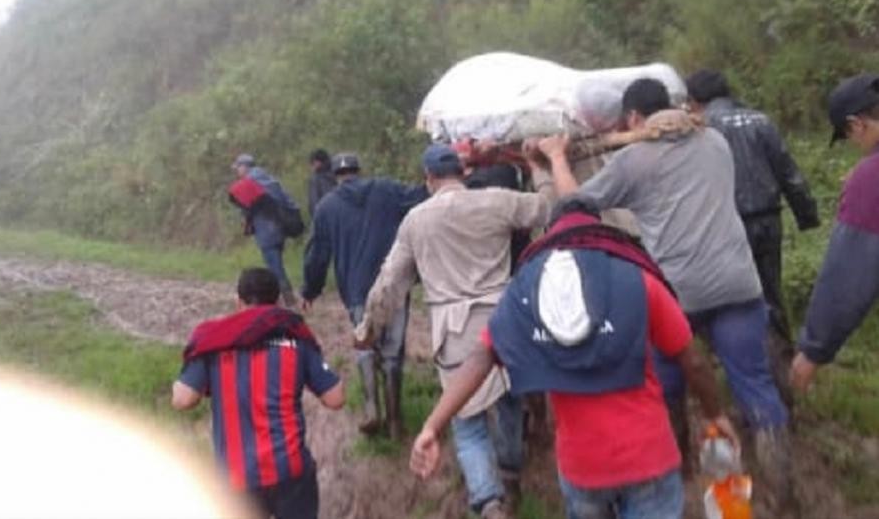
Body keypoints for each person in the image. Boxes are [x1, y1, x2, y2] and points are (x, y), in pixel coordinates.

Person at [410, 202, 740, 519]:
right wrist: (716, 415)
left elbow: (481, 357)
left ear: (552, 233)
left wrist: (432, 426)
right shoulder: (637, 279)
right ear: (599, 229)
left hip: (582, 467)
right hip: (649, 457)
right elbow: (693, 361)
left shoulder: (528, 290)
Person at [558, 78, 793, 513]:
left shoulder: (633, 161)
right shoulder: (716, 142)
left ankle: (679, 473)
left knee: (667, 381)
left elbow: (574, 206)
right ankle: (782, 493)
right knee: (756, 385)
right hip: (738, 283)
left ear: (632, 118)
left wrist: (554, 158)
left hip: (678, 293)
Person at [353, 143, 567, 518]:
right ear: (463, 173)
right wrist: (541, 167)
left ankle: (487, 500)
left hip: (454, 333)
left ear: (429, 178)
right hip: (505, 323)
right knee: (509, 404)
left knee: (467, 423)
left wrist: (369, 328)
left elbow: (390, 284)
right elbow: (548, 205)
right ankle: (511, 476)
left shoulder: (416, 220)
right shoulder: (496, 201)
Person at [687, 69, 820, 404]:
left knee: (739, 306)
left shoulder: (702, 129)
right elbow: (788, 172)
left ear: (695, 101)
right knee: (773, 297)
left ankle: (749, 382)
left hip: (727, 228)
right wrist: (806, 215)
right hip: (769, 222)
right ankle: (786, 382)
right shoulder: (761, 121)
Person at [172, 267, 345, 519]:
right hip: (290, 472)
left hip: (237, 478)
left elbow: (182, 400)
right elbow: (335, 398)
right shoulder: (295, 337)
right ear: (276, 302)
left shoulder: (213, 341)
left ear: (238, 302)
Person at [302, 152, 427, 439]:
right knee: (394, 353)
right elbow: (422, 195)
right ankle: (396, 422)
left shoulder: (326, 207)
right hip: (393, 282)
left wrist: (311, 289)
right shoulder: (386, 190)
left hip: (356, 288)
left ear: (335, 176)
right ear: (359, 170)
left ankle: (372, 409)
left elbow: (317, 256)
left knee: (365, 346)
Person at [791, 73, 879, 391]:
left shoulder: (870, 177)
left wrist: (814, 349)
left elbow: (848, 275)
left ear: (857, 125)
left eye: (849, 136)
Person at [232, 154, 302, 307]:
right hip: (280, 227)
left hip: (266, 229)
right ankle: (285, 297)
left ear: (245, 166)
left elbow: (248, 206)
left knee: (274, 266)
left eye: (238, 167)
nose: (237, 171)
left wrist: (246, 222)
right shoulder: (269, 179)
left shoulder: (249, 183)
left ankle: (288, 299)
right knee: (276, 263)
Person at [307, 148, 337, 218]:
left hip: (325, 220)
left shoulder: (315, 179)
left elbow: (313, 204)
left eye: (312, 163)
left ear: (317, 162)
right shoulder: (338, 174)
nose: (311, 167)